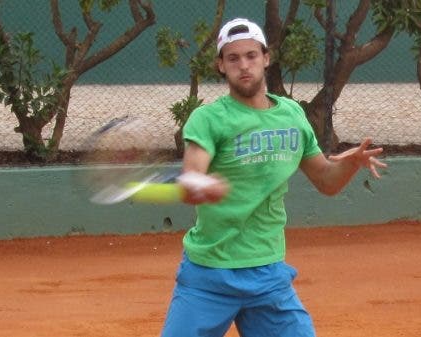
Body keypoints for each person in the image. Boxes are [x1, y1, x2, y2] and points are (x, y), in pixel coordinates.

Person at [161, 17, 387, 337]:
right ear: (221, 66)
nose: (244, 66)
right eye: (233, 58)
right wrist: (200, 185)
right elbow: (192, 177)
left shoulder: (292, 115)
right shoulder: (208, 119)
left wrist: (351, 164)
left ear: (266, 59)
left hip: (267, 274)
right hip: (210, 274)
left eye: (252, 56)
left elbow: (325, 180)